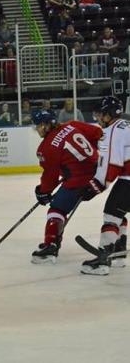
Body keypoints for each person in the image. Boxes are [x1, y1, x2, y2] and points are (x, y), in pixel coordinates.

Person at [31, 109, 102, 264]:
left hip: (79, 181)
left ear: (45, 125)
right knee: (116, 207)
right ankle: (117, 239)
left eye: (37, 126)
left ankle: (50, 247)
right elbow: (97, 133)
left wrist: (43, 192)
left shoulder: (46, 147)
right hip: (99, 174)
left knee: (56, 209)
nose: (37, 129)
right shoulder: (72, 125)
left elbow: (50, 176)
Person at [79, 96, 130, 275]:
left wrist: (96, 186)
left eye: (100, 115)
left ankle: (103, 261)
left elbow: (112, 164)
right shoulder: (126, 125)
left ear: (109, 115)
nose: (98, 119)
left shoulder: (112, 131)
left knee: (111, 215)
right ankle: (118, 254)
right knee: (119, 212)